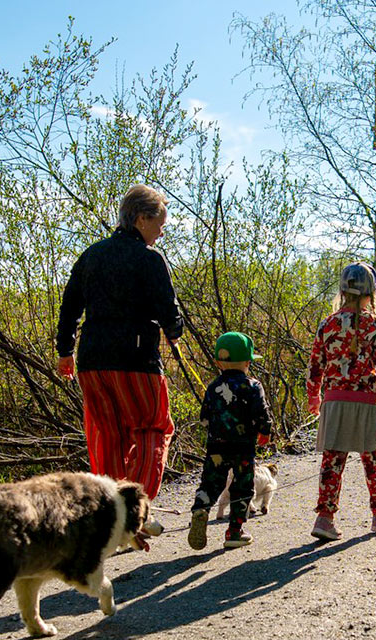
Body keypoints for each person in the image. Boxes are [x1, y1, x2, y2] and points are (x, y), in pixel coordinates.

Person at [55, 185, 183, 533]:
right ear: (141, 218)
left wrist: (65, 351)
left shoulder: (92, 254)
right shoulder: (149, 258)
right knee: (153, 428)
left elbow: (69, 306)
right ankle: (136, 508)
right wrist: (175, 330)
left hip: (92, 360)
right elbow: (167, 308)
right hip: (136, 359)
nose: (160, 231)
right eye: (159, 223)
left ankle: (107, 514)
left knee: (105, 435)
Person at [304, 262, 376, 541]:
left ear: (342, 290)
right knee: (372, 460)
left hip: (334, 401)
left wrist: (315, 396)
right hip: (366, 402)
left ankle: (325, 518)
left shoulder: (328, 323)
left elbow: (315, 366)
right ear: (370, 293)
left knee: (332, 460)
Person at [187, 331, 274, 550]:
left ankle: (201, 509)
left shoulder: (213, 387)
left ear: (218, 362)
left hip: (216, 445)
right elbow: (261, 413)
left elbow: (204, 417)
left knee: (211, 481)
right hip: (243, 447)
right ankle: (235, 531)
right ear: (247, 362)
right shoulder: (253, 386)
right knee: (242, 487)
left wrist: (215, 431)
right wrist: (265, 431)